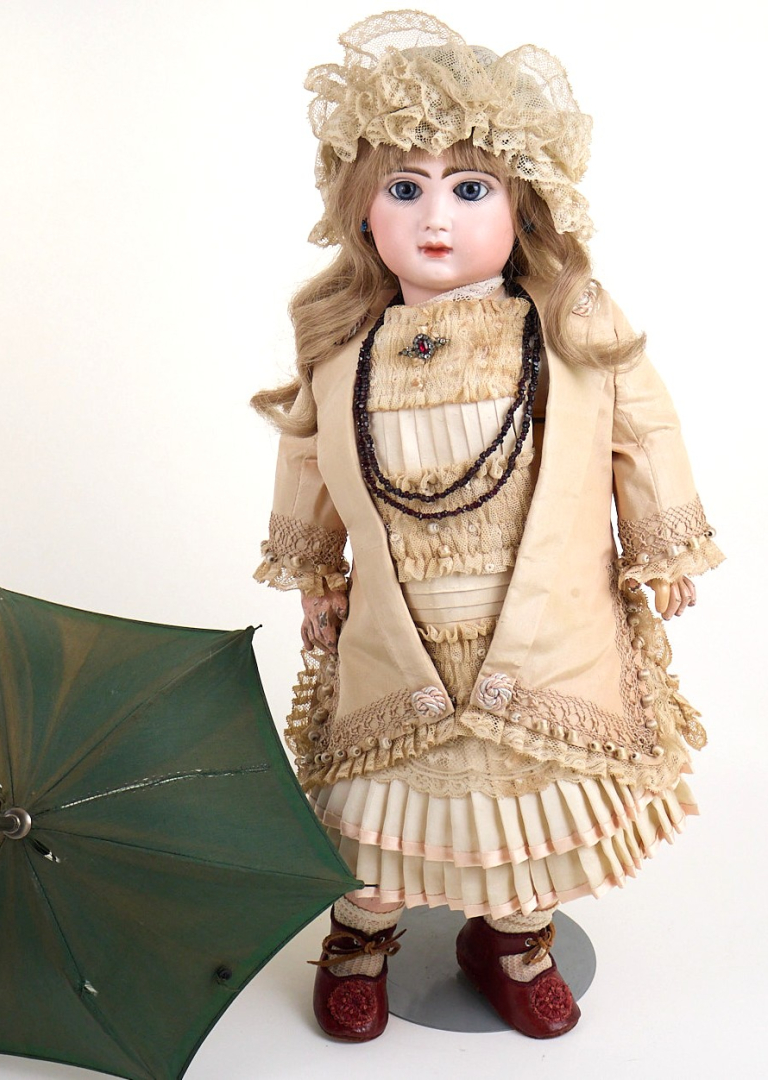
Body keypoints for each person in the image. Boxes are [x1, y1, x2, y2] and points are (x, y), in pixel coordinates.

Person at [252, 10, 722, 1043]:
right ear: (360, 206)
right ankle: (361, 931)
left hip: (543, 623)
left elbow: (640, 423)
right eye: (404, 188)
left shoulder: (566, 320)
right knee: (384, 810)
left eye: (470, 190)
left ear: (523, 202)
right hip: (399, 631)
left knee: (524, 815)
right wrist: (317, 575)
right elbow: (307, 460)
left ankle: (512, 939)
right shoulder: (342, 348)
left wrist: (660, 543)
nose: (436, 219)